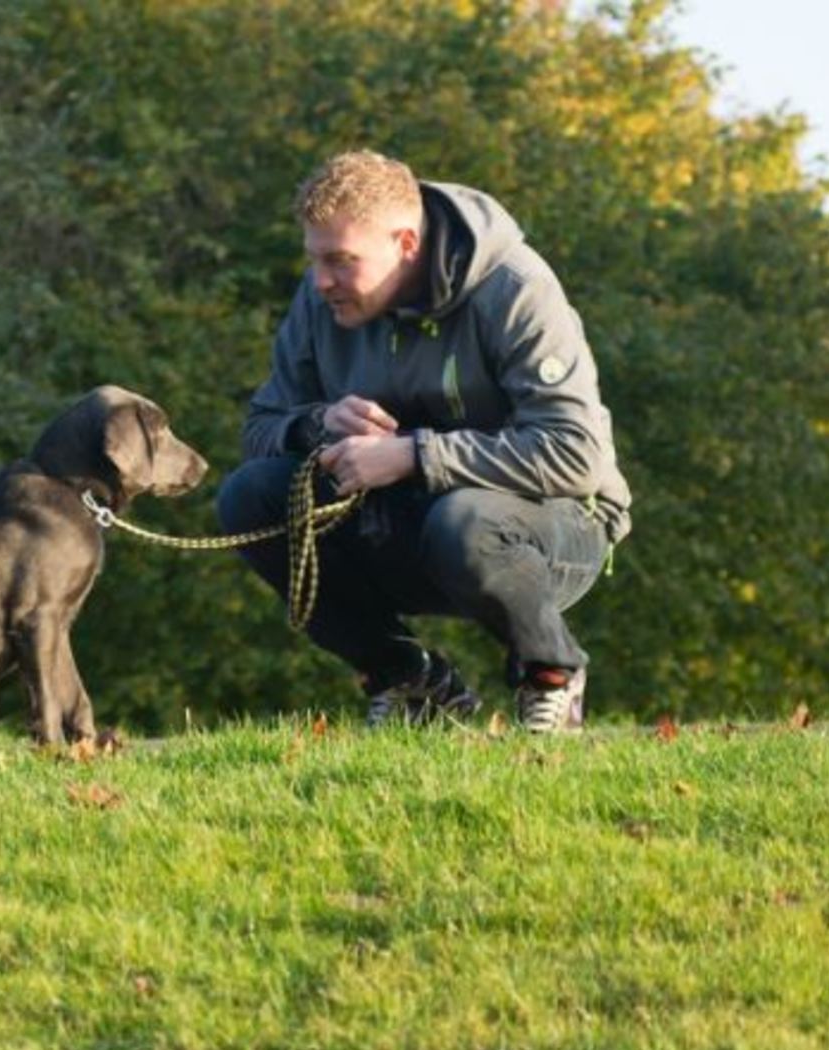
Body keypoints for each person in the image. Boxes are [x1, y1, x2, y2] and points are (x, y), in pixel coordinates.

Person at [216, 150, 631, 732]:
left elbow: (575, 454)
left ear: (406, 244)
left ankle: (552, 676)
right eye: (313, 260)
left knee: (463, 521)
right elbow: (259, 430)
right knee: (248, 496)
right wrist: (320, 423)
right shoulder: (320, 301)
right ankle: (408, 679)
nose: (321, 282)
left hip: (549, 529)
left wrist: (413, 455)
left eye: (340, 261)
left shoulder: (514, 290)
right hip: (402, 527)